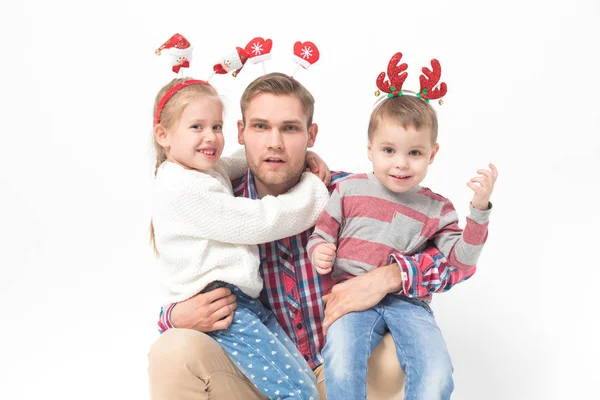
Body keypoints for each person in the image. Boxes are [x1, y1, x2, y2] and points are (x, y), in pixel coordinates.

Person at [148, 73, 469, 400]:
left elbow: (457, 260)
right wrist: (173, 316)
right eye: (261, 127)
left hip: (345, 370)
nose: (275, 142)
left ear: (310, 134)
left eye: (289, 128)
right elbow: (186, 273)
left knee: (397, 349)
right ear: (241, 133)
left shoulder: (351, 194)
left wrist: (390, 276)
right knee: (173, 349)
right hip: (261, 377)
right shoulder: (218, 202)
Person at [150, 77, 332, 399]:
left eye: (215, 127)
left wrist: (304, 160)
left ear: (310, 134)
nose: (210, 137)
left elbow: (233, 163)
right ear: (163, 135)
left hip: (250, 308)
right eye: (197, 127)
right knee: (297, 391)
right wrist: (313, 191)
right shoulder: (185, 189)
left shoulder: (204, 172)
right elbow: (260, 221)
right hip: (225, 306)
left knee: (299, 382)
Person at [307, 93, 498, 399]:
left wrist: (479, 211)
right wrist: (320, 252)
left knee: (436, 372)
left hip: (409, 304)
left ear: (432, 154)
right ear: (370, 150)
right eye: (389, 150)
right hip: (353, 300)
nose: (401, 164)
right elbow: (321, 235)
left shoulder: (438, 207)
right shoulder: (348, 189)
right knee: (341, 362)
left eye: (414, 153)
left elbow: (462, 260)